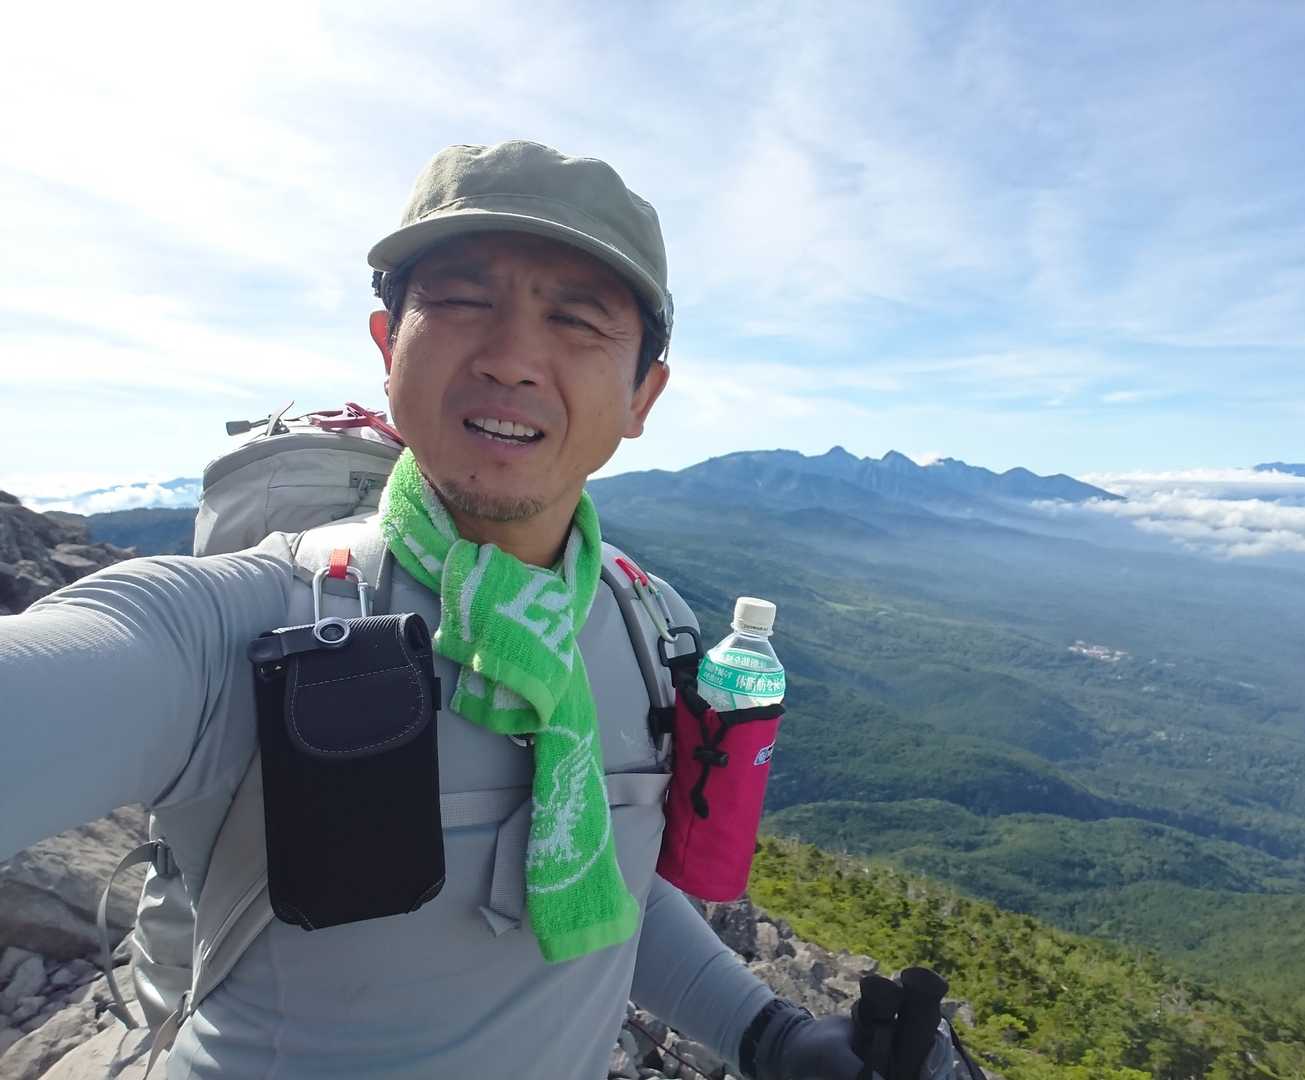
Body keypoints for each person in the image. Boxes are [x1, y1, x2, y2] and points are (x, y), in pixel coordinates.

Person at [0, 141, 954, 1079]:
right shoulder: (245, 629)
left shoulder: (644, 626)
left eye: (577, 319)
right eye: (461, 300)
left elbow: (600, 872)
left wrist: (770, 1036)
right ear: (388, 346)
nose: (512, 358)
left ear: (644, 395)